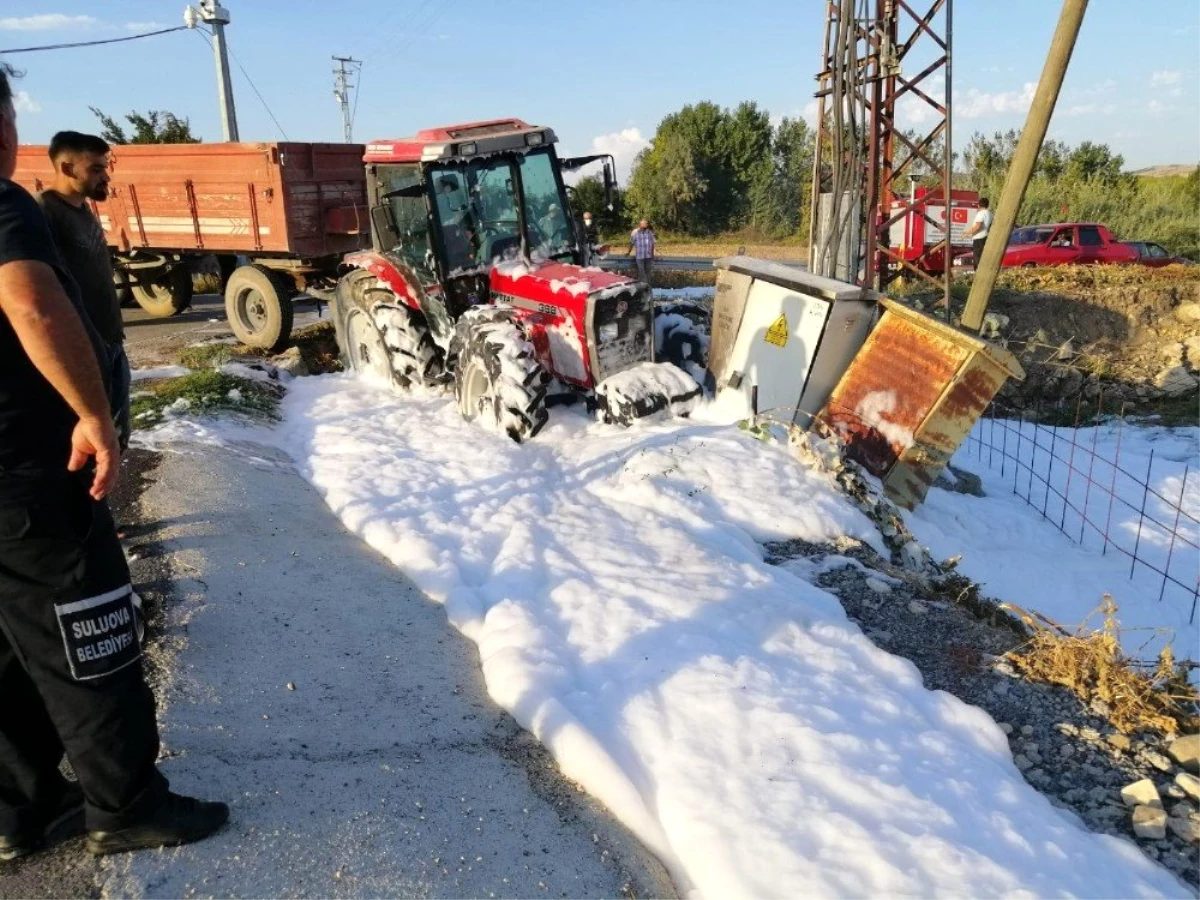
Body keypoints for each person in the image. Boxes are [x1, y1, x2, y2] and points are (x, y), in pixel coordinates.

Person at [0, 64, 227, 862]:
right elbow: (29, 301)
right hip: (24, 474)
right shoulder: (9, 207)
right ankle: (125, 806)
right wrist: (94, 415)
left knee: (8, 641)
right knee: (90, 634)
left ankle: (18, 810)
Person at [37, 132, 130, 451]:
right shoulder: (44, 215)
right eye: (95, 169)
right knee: (91, 444)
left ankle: (104, 500)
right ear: (65, 168)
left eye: (105, 167)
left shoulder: (81, 210)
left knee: (116, 440)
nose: (105, 176)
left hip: (111, 342)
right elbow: (45, 295)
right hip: (85, 349)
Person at [963, 197, 993, 269]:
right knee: (983, 258)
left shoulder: (981, 213)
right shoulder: (990, 214)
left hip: (978, 239)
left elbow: (978, 226)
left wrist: (967, 233)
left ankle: (978, 274)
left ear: (978, 205)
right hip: (985, 238)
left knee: (977, 259)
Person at [628, 218, 656, 284]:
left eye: (647, 224)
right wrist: (628, 252)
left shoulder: (649, 232)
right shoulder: (635, 232)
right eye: (645, 224)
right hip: (639, 256)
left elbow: (652, 243)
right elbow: (631, 243)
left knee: (648, 272)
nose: (647, 225)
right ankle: (644, 285)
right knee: (642, 272)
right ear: (641, 224)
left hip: (648, 256)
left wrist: (652, 254)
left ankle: (646, 286)